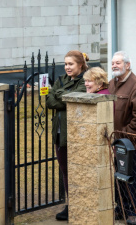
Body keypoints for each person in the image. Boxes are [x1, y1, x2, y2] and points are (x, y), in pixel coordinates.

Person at [108, 51, 136, 225]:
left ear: (128, 65)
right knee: (119, 176)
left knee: (131, 178)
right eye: (112, 63)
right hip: (115, 141)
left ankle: (134, 212)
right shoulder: (112, 84)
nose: (114, 66)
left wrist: (123, 137)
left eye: (118, 63)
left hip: (131, 143)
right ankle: (121, 208)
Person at [46, 50, 89, 221]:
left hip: (75, 132)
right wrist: (61, 96)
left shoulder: (84, 80)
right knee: (65, 170)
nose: (67, 67)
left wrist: (59, 95)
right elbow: (50, 101)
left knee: (80, 169)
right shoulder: (61, 80)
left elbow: (75, 98)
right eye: (65, 64)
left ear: (80, 64)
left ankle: (83, 203)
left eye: (71, 64)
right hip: (59, 133)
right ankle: (71, 204)